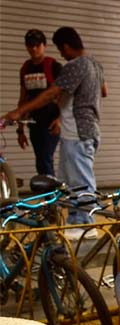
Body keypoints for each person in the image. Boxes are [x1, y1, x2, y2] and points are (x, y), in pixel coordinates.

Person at [3, 27, 106, 239]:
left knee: (81, 180)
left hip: (78, 131)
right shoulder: (95, 64)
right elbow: (103, 91)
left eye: (61, 49)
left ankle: (86, 224)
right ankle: (76, 220)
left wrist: (19, 111)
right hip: (82, 131)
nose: (61, 54)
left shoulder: (76, 65)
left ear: (66, 46)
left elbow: (51, 93)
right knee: (67, 180)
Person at [16, 29, 62, 176]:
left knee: (45, 158)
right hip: (34, 121)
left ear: (44, 46)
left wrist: (59, 119)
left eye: (37, 45)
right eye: (30, 45)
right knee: (40, 160)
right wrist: (20, 129)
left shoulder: (53, 66)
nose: (34, 49)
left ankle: (52, 196)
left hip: (51, 121)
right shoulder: (25, 68)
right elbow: (23, 99)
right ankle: (48, 193)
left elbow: (64, 95)